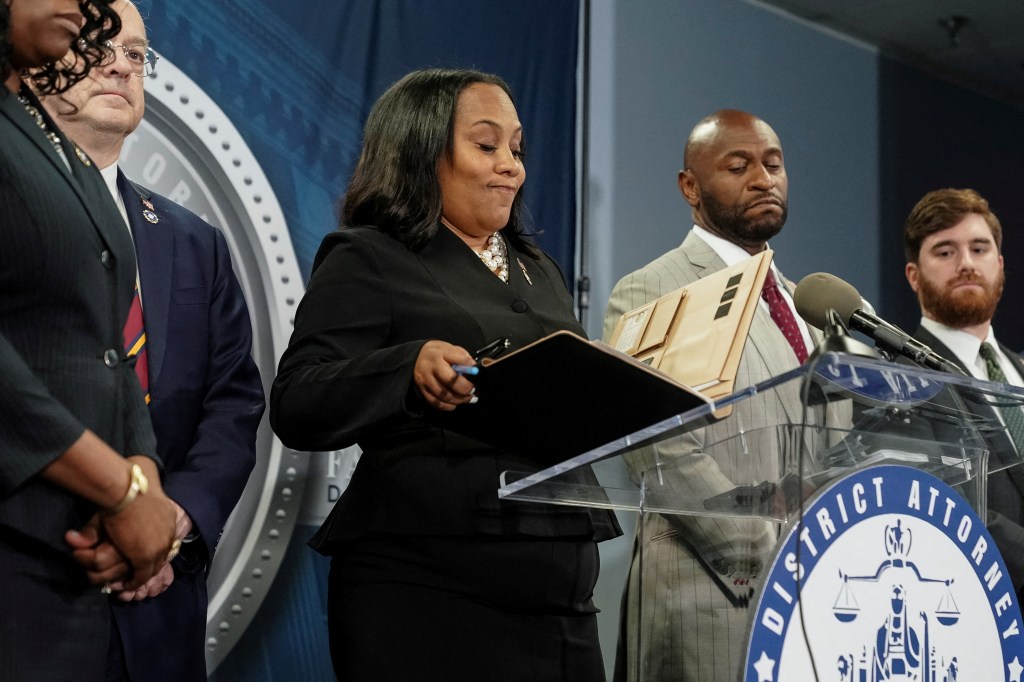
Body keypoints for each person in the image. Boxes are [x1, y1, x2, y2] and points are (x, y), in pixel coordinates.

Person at [270, 68, 621, 681]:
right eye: (487, 146)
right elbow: (299, 398)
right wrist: (406, 368)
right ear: (420, 153)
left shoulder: (541, 270)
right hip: (427, 594)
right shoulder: (370, 255)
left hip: (560, 603)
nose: (511, 165)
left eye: (516, 148)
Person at [39, 2, 266, 679]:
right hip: (34, 582)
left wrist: (169, 523)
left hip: (161, 608)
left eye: (136, 54)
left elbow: (232, 407)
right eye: (98, 44)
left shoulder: (195, 243)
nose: (120, 64)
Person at [603, 110, 844, 682]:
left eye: (774, 164)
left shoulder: (808, 307)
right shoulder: (654, 288)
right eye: (738, 166)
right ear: (690, 186)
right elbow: (661, 447)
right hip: (710, 595)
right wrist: (761, 547)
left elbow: (836, 453)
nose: (763, 179)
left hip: (813, 604)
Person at [0, 1, 178, 679]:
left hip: (70, 561)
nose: (81, 6)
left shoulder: (42, 133)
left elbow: (107, 346)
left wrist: (144, 484)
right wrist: (122, 493)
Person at [903, 187, 1024, 598]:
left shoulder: (1020, 369)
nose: (967, 263)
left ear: (1001, 265)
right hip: (984, 611)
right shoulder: (900, 380)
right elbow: (941, 503)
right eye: (945, 252)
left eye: (979, 248)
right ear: (914, 275)